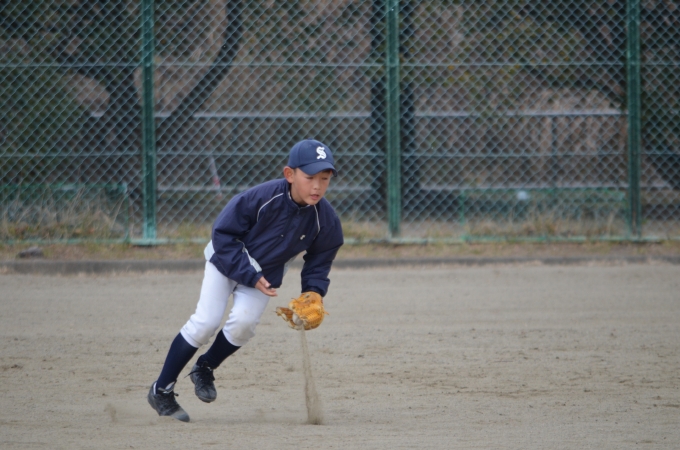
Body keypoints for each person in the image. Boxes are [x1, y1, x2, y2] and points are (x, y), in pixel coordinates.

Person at [147, 139, 344, 422]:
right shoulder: (261, 198)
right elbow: (223, 233)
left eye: (324, 179)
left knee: (244, 324)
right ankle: (161, 389)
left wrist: (313, 292)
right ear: (290, 174)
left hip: (265, 276)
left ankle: (205, 367)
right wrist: (250, 274)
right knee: (205, 322)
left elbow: (320, 258)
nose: (317, 186)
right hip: (225, 263)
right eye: (310, 177)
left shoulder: (325, 218)